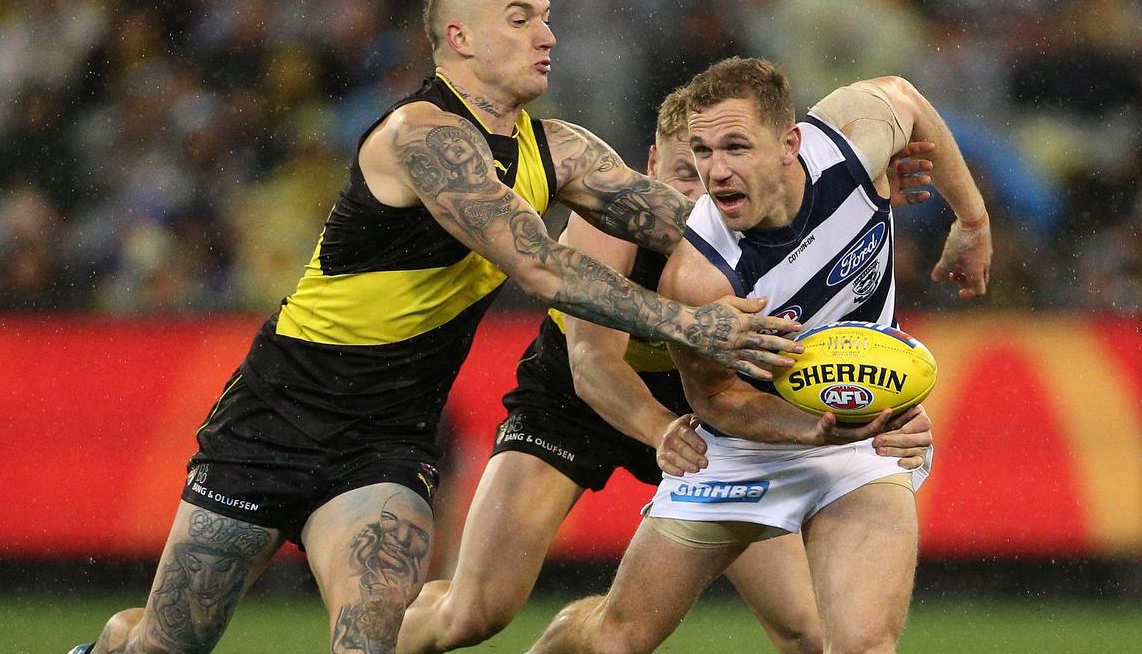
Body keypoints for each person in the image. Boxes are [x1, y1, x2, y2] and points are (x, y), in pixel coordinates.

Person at [67, 0, 825, 654]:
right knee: (166, 646)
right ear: (458, 38)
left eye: (548, 16)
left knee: (372, 642)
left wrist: (839, 223)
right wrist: (692, 323)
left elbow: (704, 227)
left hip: (390, 438)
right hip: (277, 417)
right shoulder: (420, 137)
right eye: (521, 18)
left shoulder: (559, 148)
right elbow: (542, 265)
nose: (548, 34)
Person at [396, 85, 938, 654]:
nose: (704, 189)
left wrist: (889, 409)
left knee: (806, 631)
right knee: (473, 614)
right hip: (573, 407)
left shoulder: (754, 227)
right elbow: (592, 365)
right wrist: (661, 432)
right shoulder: (606, 225)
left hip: (706, 418)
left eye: (718, 166)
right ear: (647, 167)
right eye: (687, 169)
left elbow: (837, 338)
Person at [530, 57, 992, 654]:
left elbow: (907, 97)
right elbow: (717, 399)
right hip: (745, 452)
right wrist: (810, 429)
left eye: (736, 147)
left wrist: (973, 221)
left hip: (861, 441)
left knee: (858, 645)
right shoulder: (698, 275)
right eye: (702, 151)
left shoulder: (853, 144)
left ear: (789, 144)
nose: (716, 172)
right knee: (617, 641)